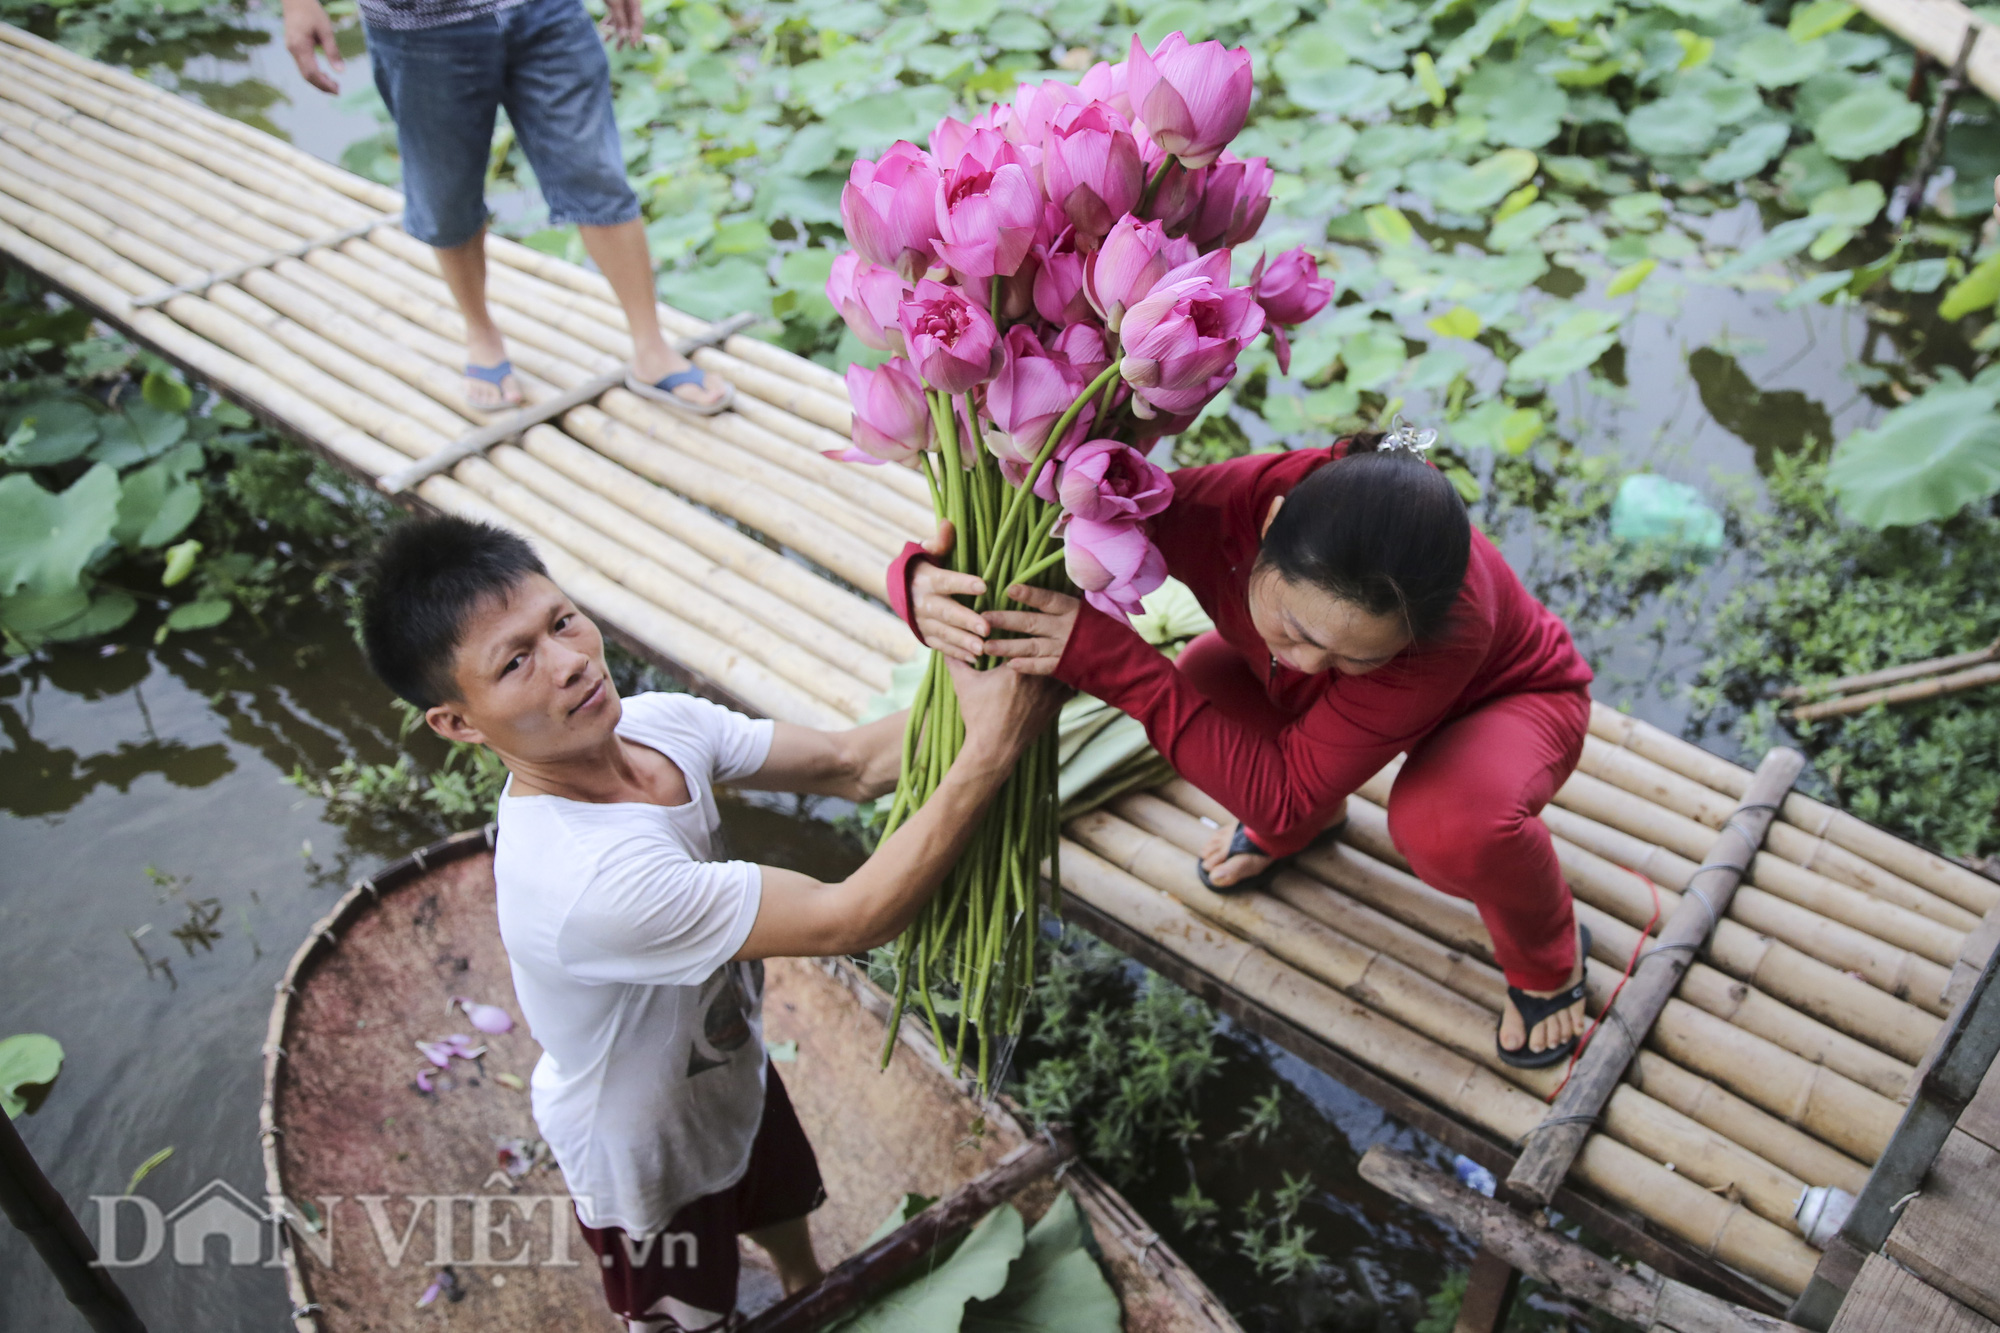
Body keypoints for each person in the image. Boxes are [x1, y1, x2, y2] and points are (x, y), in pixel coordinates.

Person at [356, 516, 1061, 1332]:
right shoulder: (587, 876)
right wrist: (991, 750)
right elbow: (853, 916)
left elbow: (851, 762)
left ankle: (806, 1289)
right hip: (646, 1156)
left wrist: (998, 666)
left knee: (781, 1203)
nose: (571, 663)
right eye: (517, 662)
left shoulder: (658, 725)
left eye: (561, 621)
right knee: (691, 1317)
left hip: (730, 1062)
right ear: (460, 721)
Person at [894, 428, 1598, 1069]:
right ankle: (1312, 825)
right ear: (1268, 527)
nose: (1308, 666)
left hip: (1508, 703)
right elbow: (1030, 531)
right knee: (1206, 676)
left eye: (1351, 656)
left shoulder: (1449, 625)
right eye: (1294, 628)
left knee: (1446, 825)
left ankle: (1550, 958)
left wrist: (1119, 665)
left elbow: (1276, 784)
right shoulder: (1215, 504)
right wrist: (919, 579)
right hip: (1359, 714)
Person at [281, 0, 732, 416]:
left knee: (596, 174)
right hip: (420, 25)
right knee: (446, 197)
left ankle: (651, 348)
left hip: (546, 10)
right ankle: (481, 333)